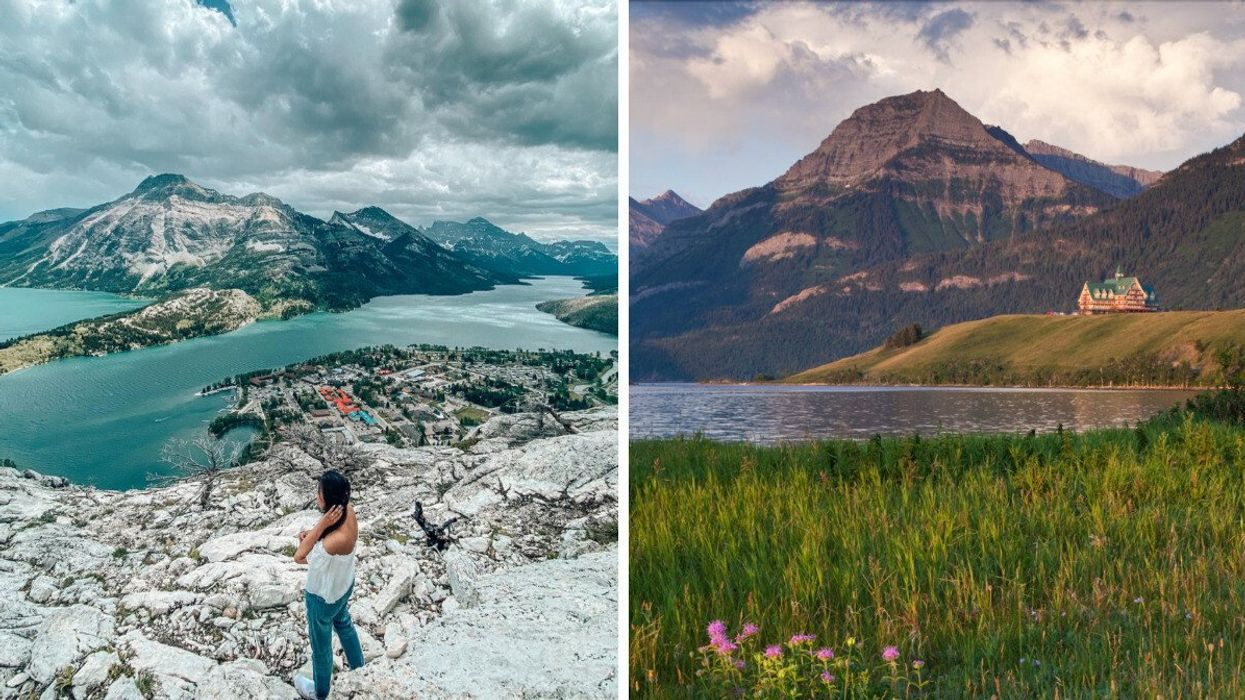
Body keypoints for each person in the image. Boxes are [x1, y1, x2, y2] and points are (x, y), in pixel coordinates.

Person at [292, 470, 365, 699]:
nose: (317, 495)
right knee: (343, 623)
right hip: (343, 585)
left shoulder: (333, 540)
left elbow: (301, 557)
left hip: (323, 596)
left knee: (321, 647)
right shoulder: (347, 510)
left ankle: (319, 692)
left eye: (319, 492)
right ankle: (360, 671)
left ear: (328, 499)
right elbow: (316, 547)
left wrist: (317, 530)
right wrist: (317, 531)